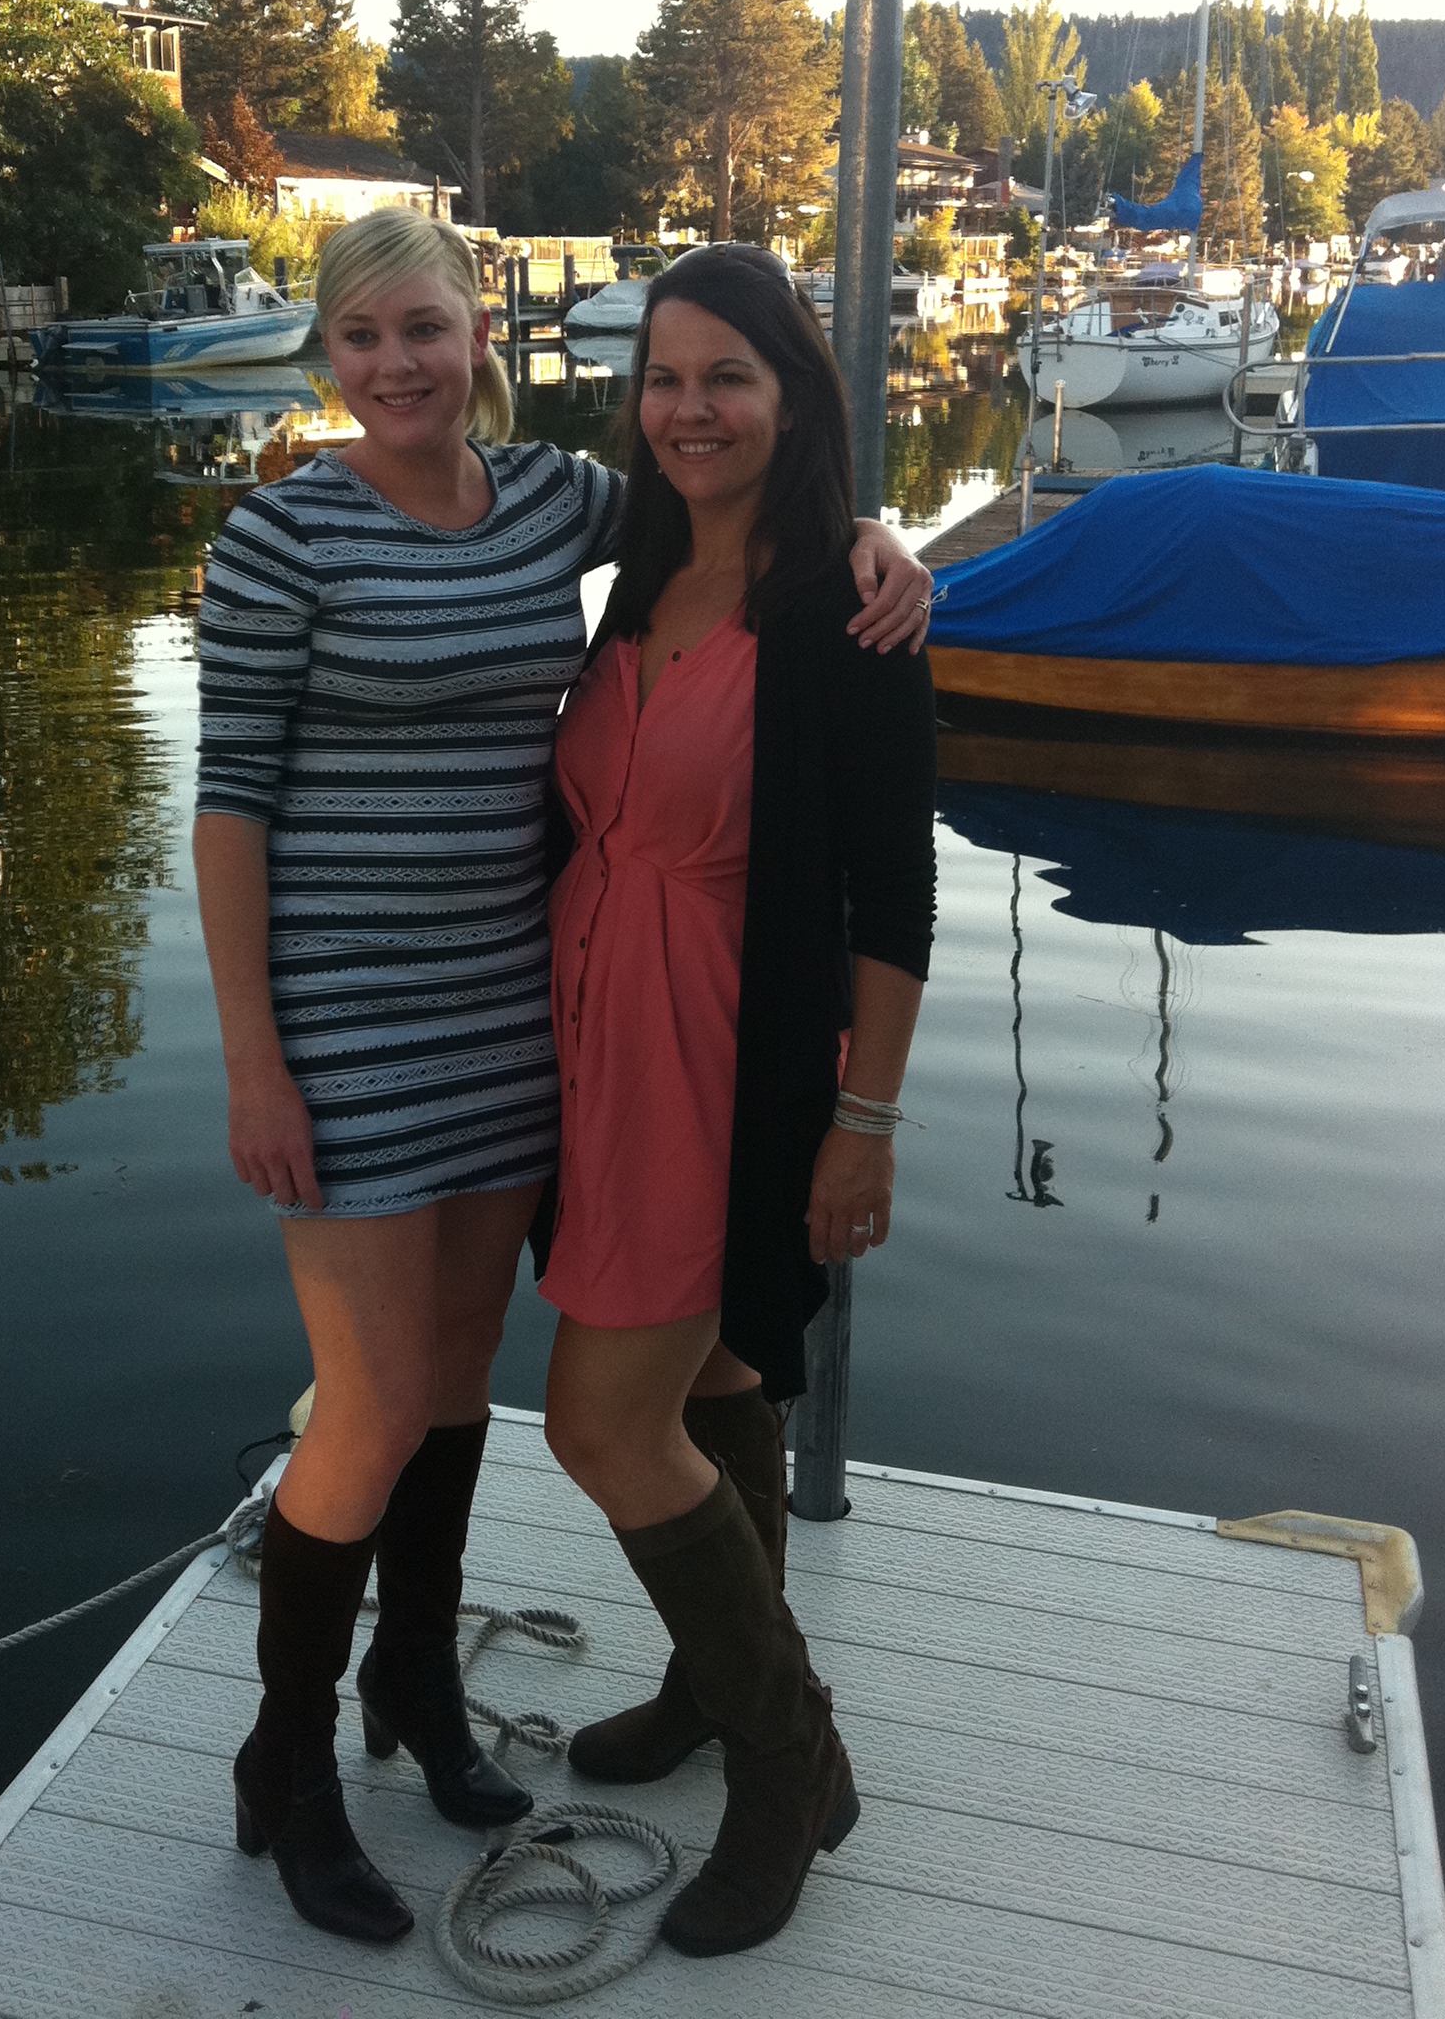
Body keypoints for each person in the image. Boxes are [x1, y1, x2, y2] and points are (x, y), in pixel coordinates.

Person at [191, 208, 932, 1945]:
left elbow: (743, 501)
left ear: (482, 336)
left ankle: (436, 1686)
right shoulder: (289, 531)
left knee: (479, 1378)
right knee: (378, 1401)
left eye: (425, 329)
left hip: (539, 1023)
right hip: (369, 1024)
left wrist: (885, 537)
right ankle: (286, 1762)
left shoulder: (559, 507)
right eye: (360, 335)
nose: (397, 366)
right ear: (324, 351)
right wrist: (253, 1061)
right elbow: (229, 805)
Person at [539, 242, 937, 1959]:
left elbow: (895, 896)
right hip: (596, 1040)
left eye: (729, 378)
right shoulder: (635, 568)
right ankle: (717, 1685)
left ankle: (792, 1758)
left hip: (728, 1058)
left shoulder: (849, 608)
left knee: (595, 1422)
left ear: (794, 398)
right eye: (665, 378)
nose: (690, 409)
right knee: (710, 1378)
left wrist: (866, 1122)